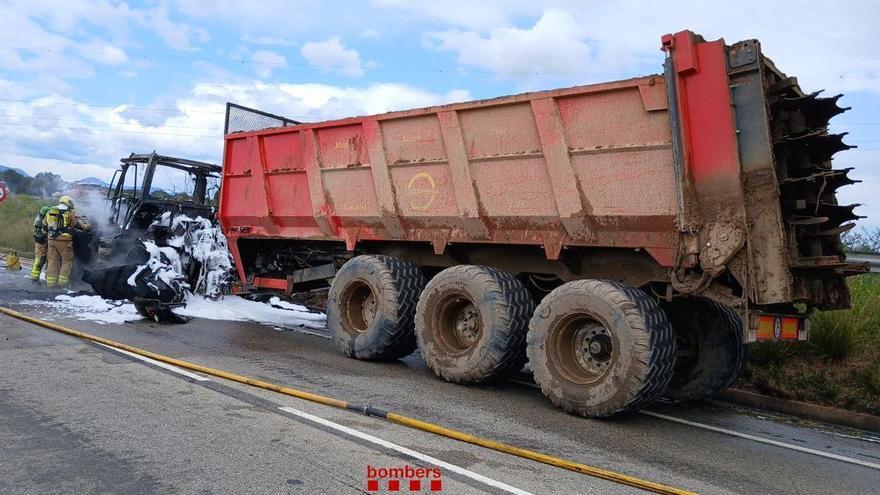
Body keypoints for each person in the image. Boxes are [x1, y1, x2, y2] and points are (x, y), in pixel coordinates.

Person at [43, 196, 90, 289]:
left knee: (52, 261)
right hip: (64, 241)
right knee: (67, 261)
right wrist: (86, 227)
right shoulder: (69, 213)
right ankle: (62, 284)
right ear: (68, 203)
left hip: (51, 240)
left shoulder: (50, 211)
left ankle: (51, 283)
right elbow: (76, 224)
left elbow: (45, 225)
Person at [29, 205, 51, 282]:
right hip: (43, 241)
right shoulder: (44, 219)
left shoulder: (38, 219)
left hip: (39, 241)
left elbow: (35, 228)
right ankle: (38, 276)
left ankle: (35, 275)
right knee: (43, 258)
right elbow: (46, 230)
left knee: (40, 258)